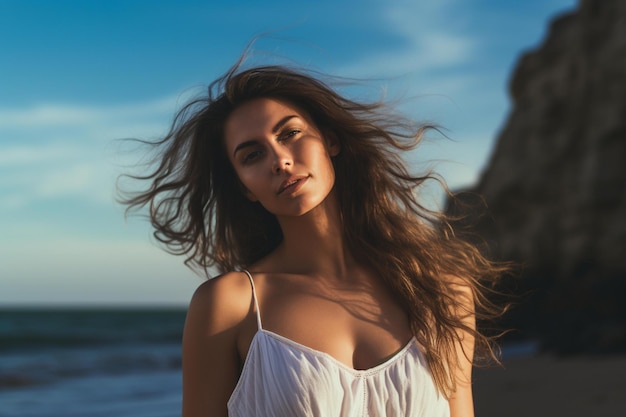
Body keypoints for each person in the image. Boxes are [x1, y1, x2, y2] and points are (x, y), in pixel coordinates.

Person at [121, 60, 506, 417]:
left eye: (290, 133)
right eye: (252, 155)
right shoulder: (232, 305)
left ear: (331, 141)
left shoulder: (442, 291)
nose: (280, 160)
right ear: (245, 189)